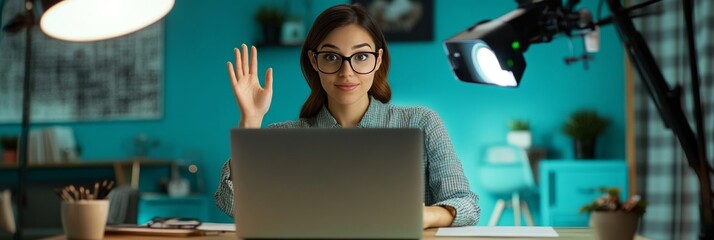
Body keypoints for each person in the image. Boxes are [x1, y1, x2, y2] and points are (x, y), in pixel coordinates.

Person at [215, 4, 480, 228]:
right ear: (314, 61)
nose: (346, 72)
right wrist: (250, 121)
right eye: (331, 56)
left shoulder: (421, 122)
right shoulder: (282, 136)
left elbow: (466, 204)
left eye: (361, 56)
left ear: (377, 60)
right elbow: (234, 205)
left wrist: (421, 215)